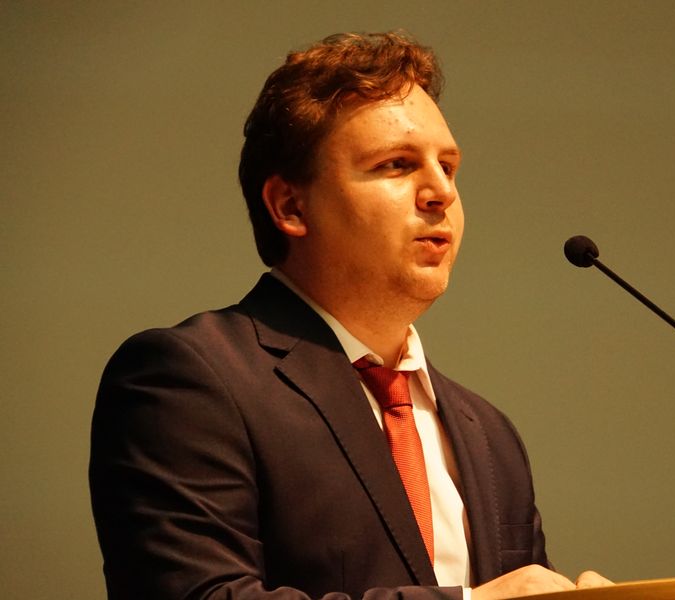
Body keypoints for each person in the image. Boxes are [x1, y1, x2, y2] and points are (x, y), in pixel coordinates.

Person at [89, 31, 611, 600]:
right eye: (397, 164)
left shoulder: (488, 434)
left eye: (449, 167)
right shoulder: (190, 380)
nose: (440, 192)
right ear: (290, 206)